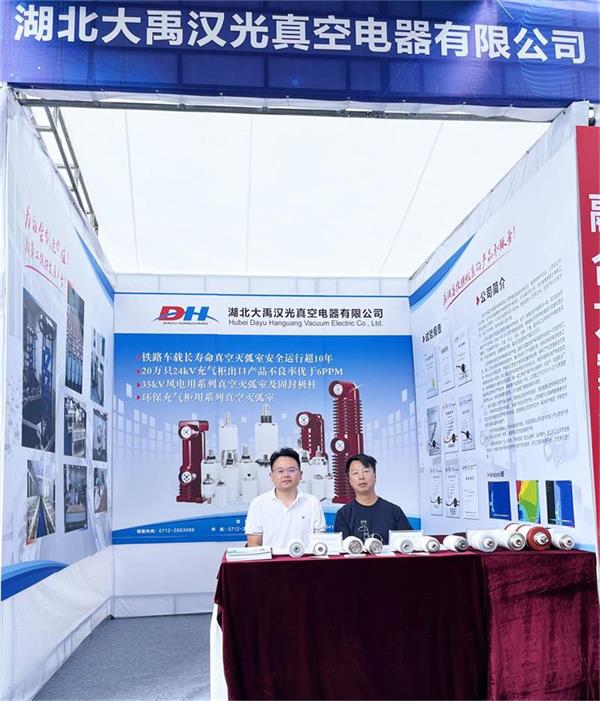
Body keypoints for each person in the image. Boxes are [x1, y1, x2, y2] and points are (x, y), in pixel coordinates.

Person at [245, 447, 326, 549]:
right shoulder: (258, 504)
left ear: (301, 475)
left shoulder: (313, 503)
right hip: (270, 559)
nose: (286, 475)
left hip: (305, 559)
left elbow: (320, 544)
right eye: (280, 471)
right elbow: (254, 544)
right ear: (271, 476)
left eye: (291, 470)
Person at [334, 453, 411, 544]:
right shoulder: (343, 514)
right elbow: (343, 548)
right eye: (355, 473)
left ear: (375, 476)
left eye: (366, 471)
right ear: (350, 481)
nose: (361, 477)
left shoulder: (394, 511)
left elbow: (408, 544)